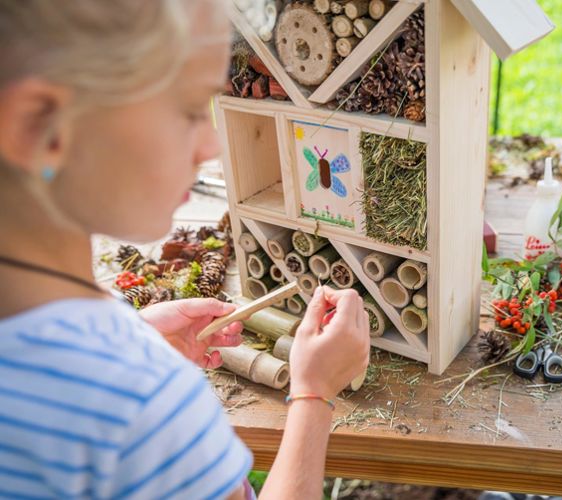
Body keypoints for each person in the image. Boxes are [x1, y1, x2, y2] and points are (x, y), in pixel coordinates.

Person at [0, 1, 370, 499]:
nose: (212, 145)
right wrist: (313, 394)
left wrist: (132, 333)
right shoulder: (138, 405)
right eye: (191, 109)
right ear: (38, 125)